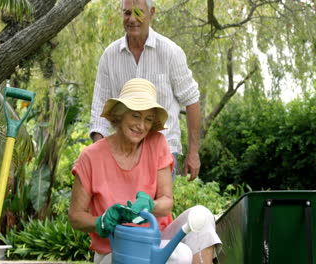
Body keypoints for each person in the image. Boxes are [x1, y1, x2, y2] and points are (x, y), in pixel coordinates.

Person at [69, 78, 221, 264]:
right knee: (180, 255)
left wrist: (150, 205)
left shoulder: (157, 143)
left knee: (202, 217)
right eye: (135, 115)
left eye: (148, 119)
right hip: (114, 250)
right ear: (119, 114)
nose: (141, 126)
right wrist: (101, 222)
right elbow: (76, 217)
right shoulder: (90, 157)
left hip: (156, 239)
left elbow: (167, 201)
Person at [90, 0, 201, 181]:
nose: (132, 19)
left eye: (139, 13)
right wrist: (97, 152)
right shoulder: (109, 56)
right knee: (123, 208)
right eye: (127, 13)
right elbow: (99, 111)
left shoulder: (171, 52)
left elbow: (192, 100)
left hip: (163, 151)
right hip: (122, 153)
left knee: (154, 207)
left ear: (152, 12)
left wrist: (193, 152)